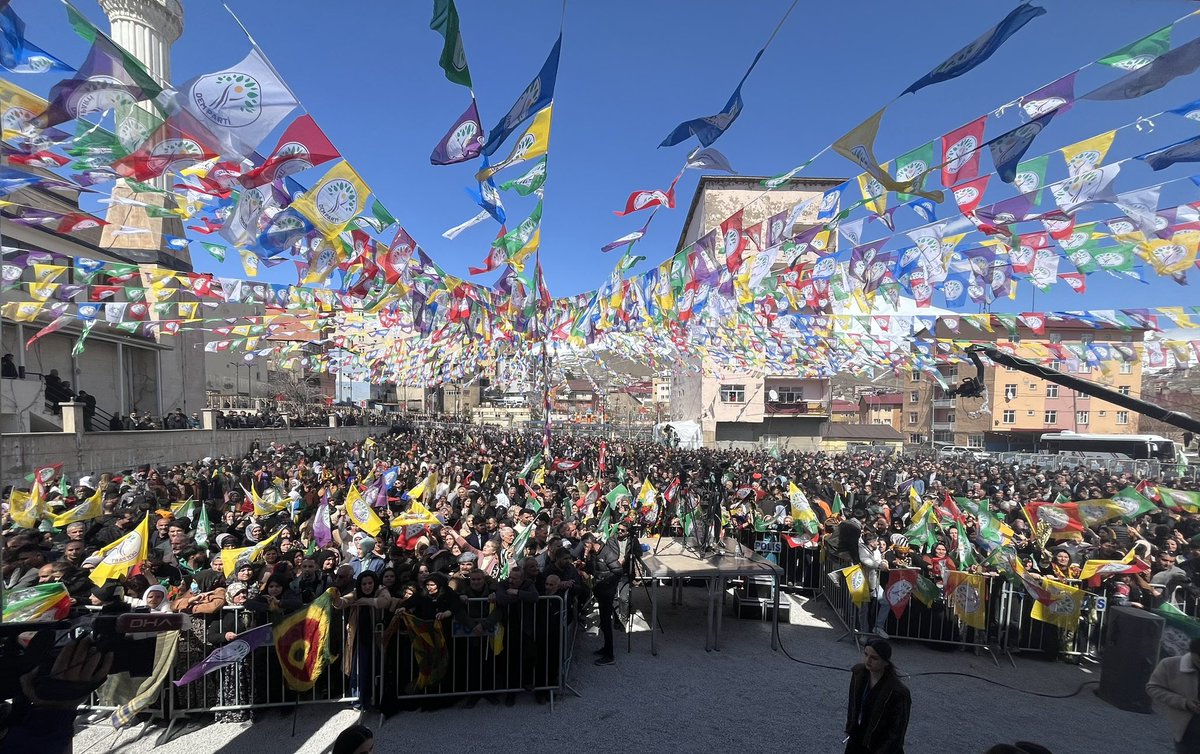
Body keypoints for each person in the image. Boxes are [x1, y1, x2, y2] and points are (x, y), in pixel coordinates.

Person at [844, 638, 910, 754]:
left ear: (885, 662)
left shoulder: (898, 692)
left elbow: (896, 733)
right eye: (866, 654)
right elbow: (853, 706)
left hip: (879, 746)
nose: (868, 660)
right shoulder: (859, 674)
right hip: (858, 739)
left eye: (874, 658)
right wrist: (851, 728)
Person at [1148, 636, 1200, 753]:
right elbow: (1153, 687)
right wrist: (1183, 702)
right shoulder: (1170, 665)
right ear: (1191, 653)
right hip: (1188, 731)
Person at [590, 521, 630, 666]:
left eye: (586, 546)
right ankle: (606, 648)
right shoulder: (595, 554)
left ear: (592, 544)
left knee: (607, 623)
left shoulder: (607, 553)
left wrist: (606, 584)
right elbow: (596, 570)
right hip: (601, 591)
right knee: (604, 623)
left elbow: (618, 572)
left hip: (607, 592)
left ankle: (609, 655)